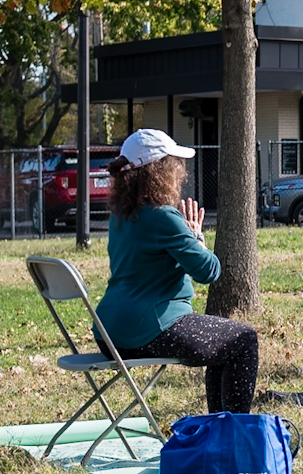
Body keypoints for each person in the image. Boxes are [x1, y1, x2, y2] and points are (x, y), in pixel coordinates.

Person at [97, 129, 260, 414]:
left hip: (109, 333)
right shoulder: (163, 218)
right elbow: (209, 271)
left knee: (224, 344)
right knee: (243, 340)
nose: (179, 173)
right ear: (159, 171)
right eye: (174, 165)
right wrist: (196, 236)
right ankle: (231, 432)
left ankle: (219, 427)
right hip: (147, 331)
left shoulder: (120, 217)